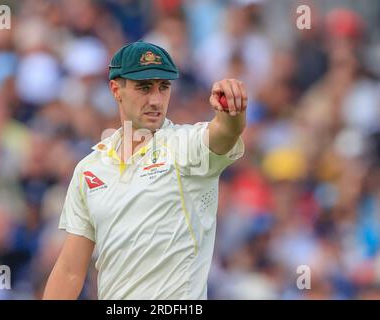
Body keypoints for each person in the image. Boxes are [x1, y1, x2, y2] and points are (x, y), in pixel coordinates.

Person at [43, 40, 247, 299]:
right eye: (144, 88)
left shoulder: (185, 146)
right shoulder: (90, 168)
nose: (156, 99)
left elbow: (225, 133)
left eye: (163, 87)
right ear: (116, 90)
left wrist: (232, 112)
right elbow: (70, 271)